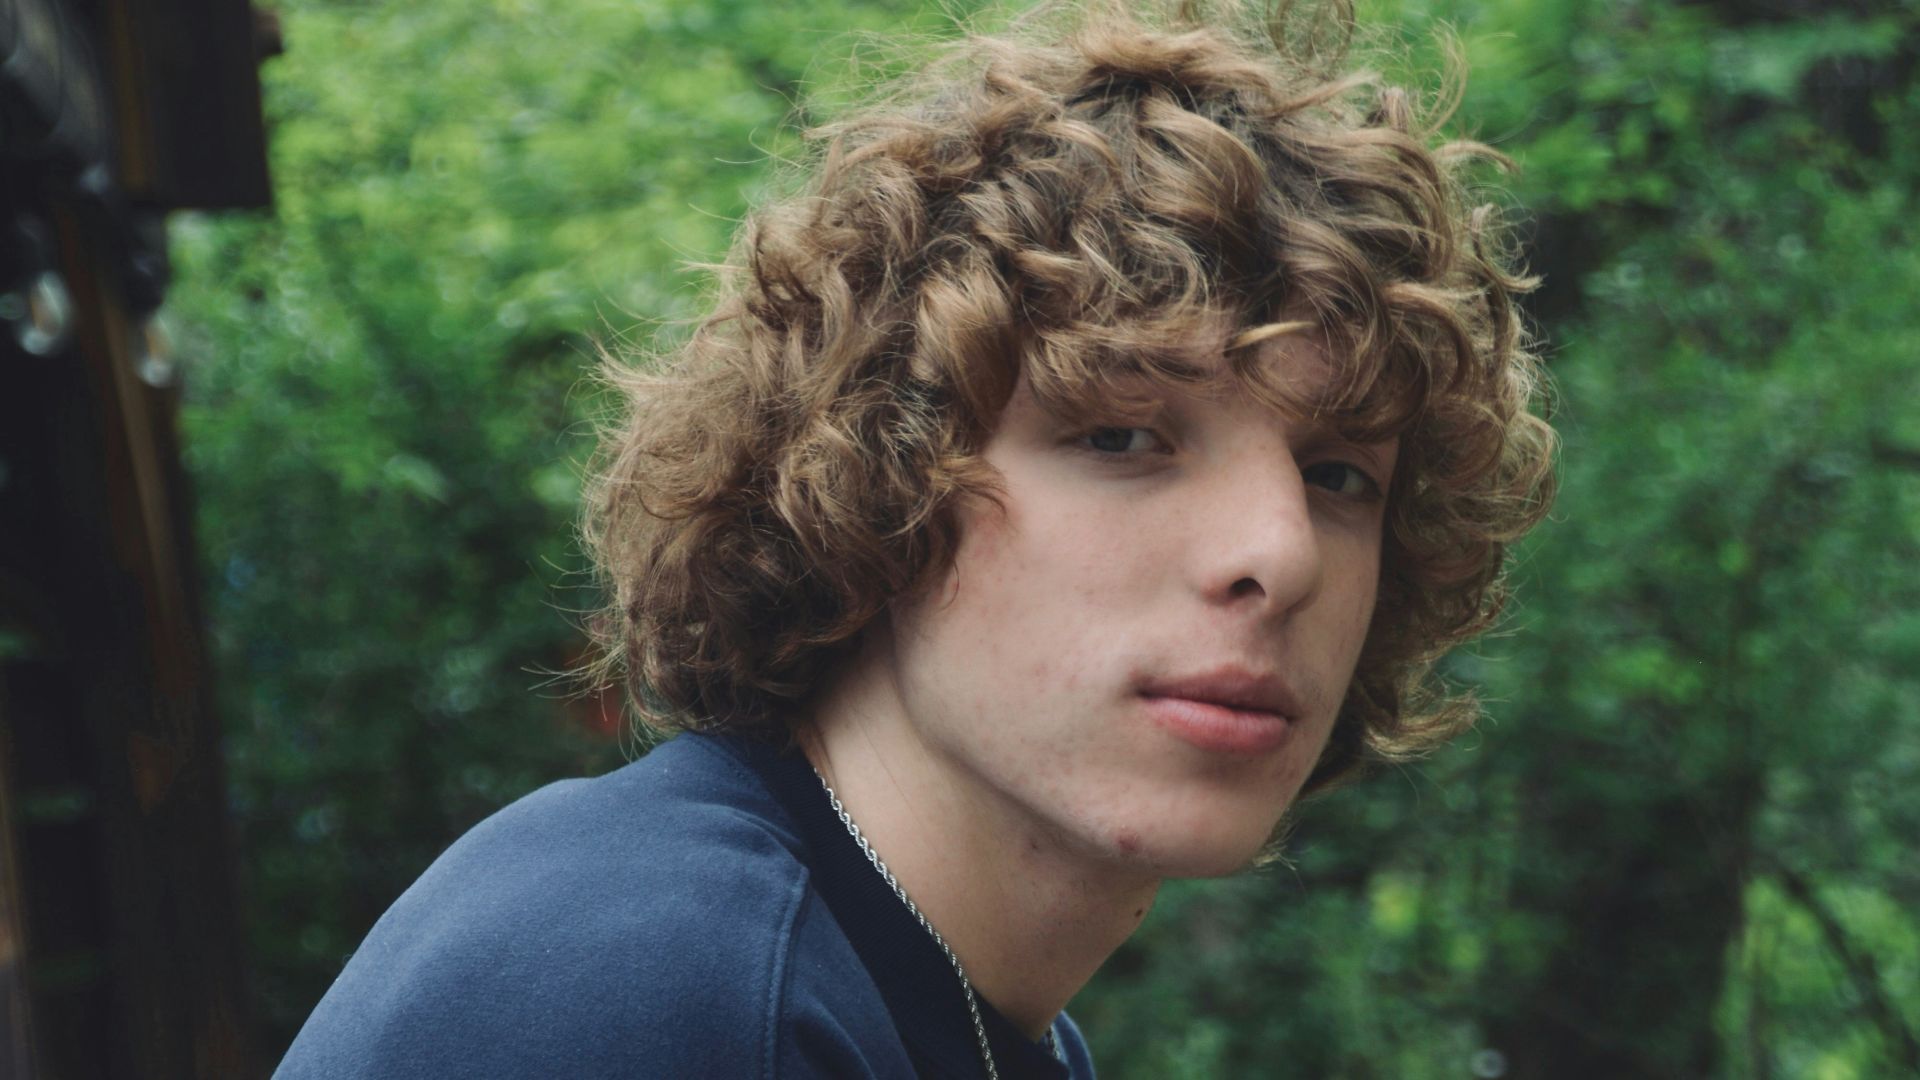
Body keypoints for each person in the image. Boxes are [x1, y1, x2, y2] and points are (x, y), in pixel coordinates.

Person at [274, 0, 1554, 1075]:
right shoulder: (667, 987)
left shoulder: (959, 1013)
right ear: (877, 484)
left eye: (1339, 474)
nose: (1282, 552)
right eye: (1120, 438)